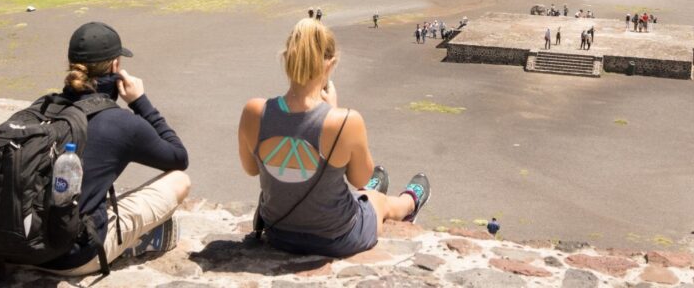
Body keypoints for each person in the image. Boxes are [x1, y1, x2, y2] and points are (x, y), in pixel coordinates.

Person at [236, 19, 431, 258]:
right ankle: (409, 202)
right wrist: (334, 112)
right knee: (376, 199)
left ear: (286, 58)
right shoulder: (346, 121)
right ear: (330, 64)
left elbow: (250, 169)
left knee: (358, 192)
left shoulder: (254, 111)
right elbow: (360, 177)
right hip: (337, 237)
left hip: (279, 232)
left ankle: (373, 194)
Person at [39, 22, 190, 275]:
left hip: (18, 245)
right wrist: (141, 102)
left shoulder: (43, 106)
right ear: (114, 67)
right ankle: (133, 243)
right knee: (179, 181)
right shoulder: (120, 122)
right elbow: (178, 157)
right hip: (70, 258)